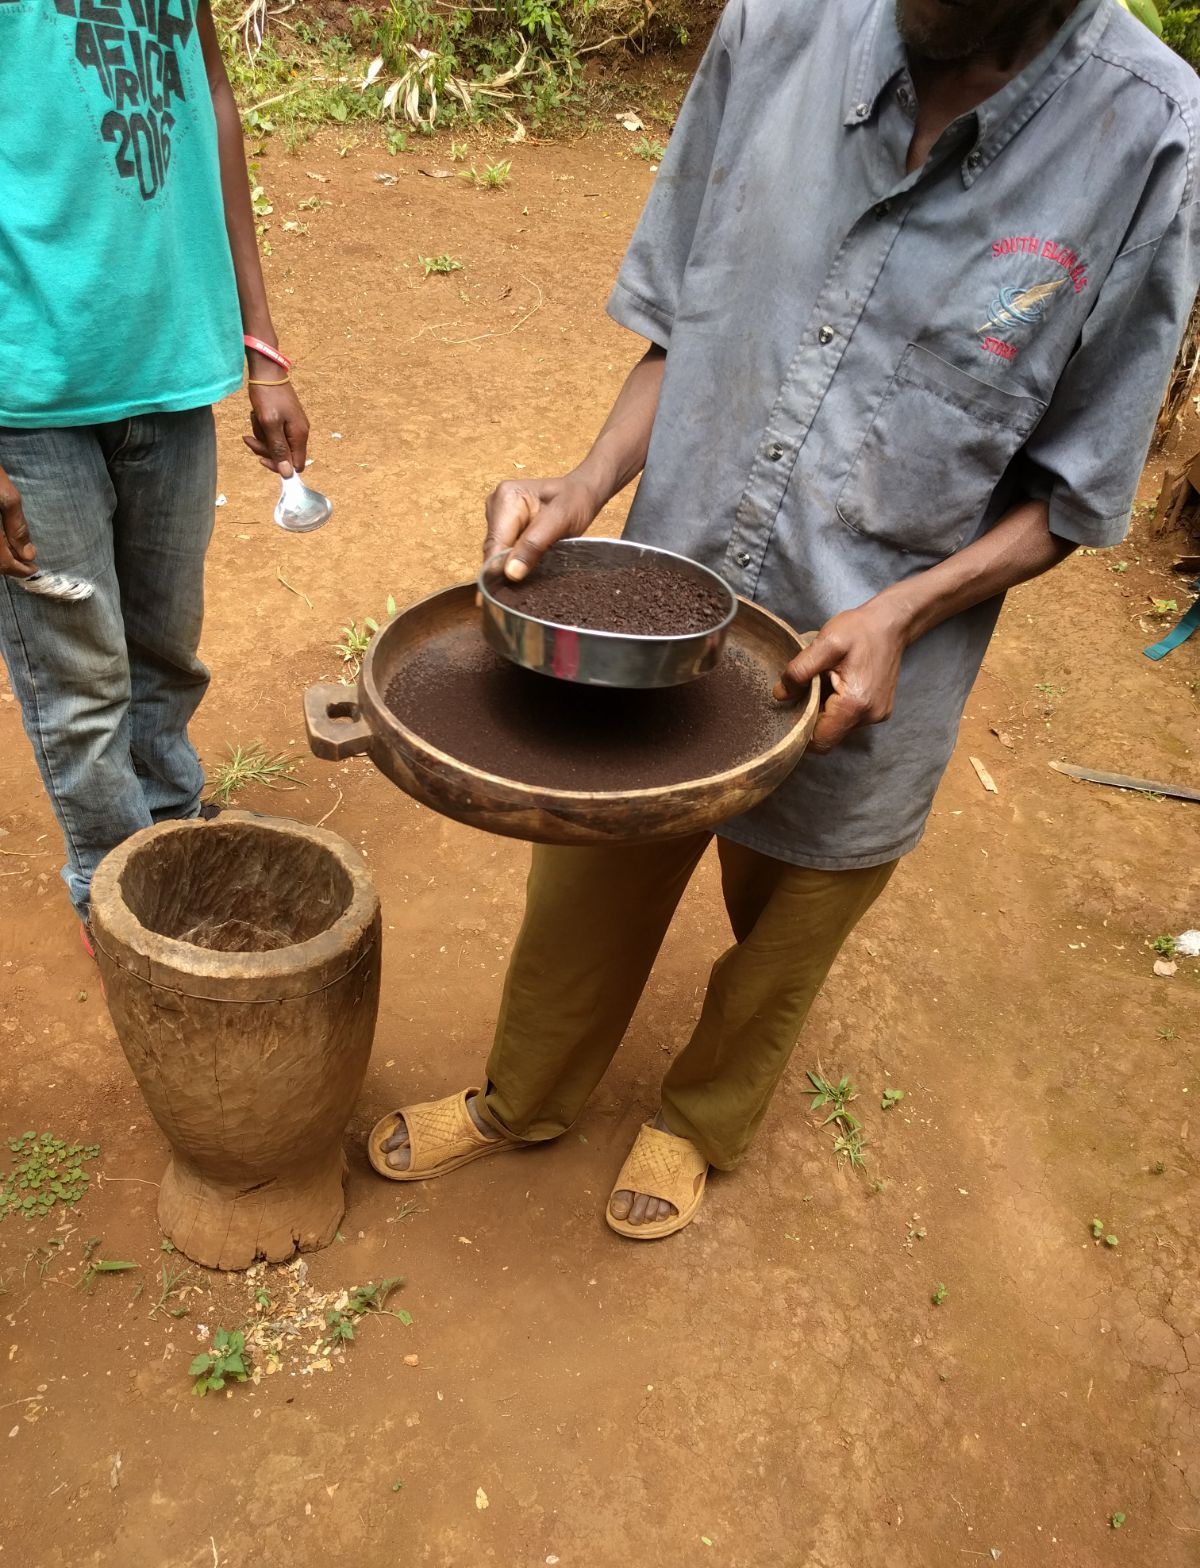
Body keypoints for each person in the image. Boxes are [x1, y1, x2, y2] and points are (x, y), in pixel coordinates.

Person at [371, 0, 1200, 1237]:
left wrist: (906, 612)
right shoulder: (776, 27)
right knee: (586, 888)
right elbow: (677, 324)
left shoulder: (1154, 142)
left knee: (791, 925)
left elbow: (1073, 492)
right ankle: (523, 1097)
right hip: (662, 616)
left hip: (874, 675)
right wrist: (587, 482)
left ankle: (700, 1118)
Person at [0, 0, 309, 949]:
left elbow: (210, 95)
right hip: (26, 391)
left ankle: (169, 823)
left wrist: (260, 348)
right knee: (80, 673)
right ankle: (117, 887)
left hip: (170, 367)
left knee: (165, 641)